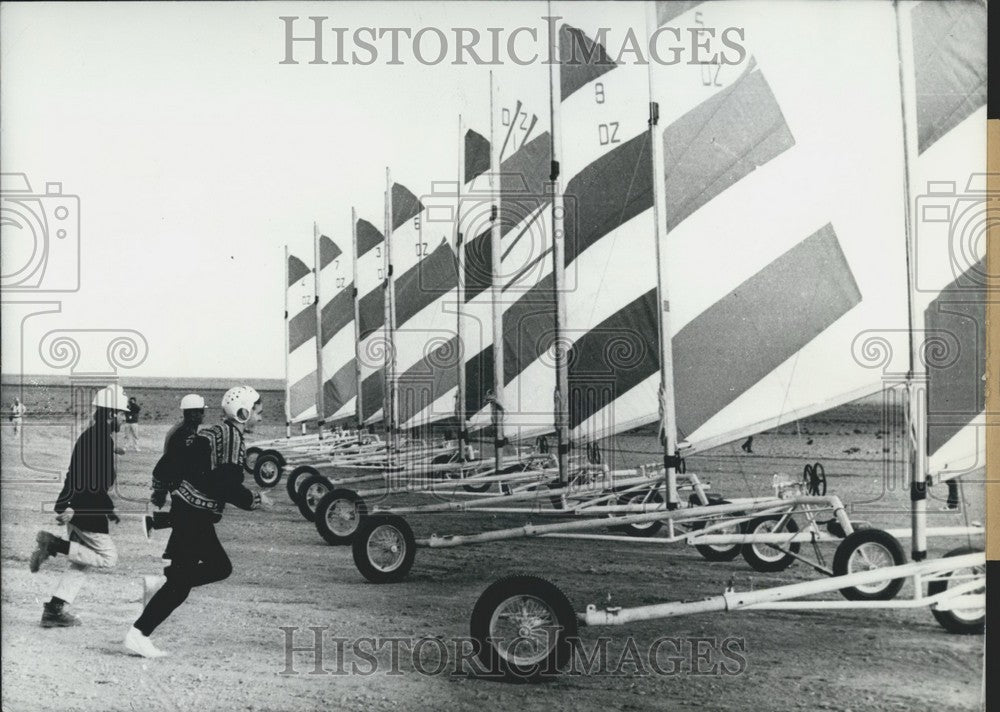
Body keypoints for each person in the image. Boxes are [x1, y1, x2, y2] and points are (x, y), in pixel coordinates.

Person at [124, 386, 272, 658]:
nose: (261, 418)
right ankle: (139, 632)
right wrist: (255, 500)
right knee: (215, 569)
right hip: (195, 515)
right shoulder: (231, 437)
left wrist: (163, 489)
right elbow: (228, 484)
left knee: (188, 577)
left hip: (187, 509)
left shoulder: (211, 432)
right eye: (258, 412)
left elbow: (169, 463)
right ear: (243, 413)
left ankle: (157, 596)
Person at [28, 384, 129, 627]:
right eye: (122, 413)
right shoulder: (99, 440)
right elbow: (89, 482)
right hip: (84, 509)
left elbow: (81, 476)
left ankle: (53, 611)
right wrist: (74, 508)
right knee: (108, 558)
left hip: (78, 507)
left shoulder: (95, 437)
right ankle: (55, 544)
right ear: (111, 414)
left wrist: (95, 508)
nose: (125, 418)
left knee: (81, 562)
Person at [141, 394, 209, 550]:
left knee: (184, 518)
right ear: (192, 413)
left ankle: (169, 546)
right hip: (178, 483)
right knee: (188, 518)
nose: (203, 415)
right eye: (200, 411)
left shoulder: (183, 429)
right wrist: (161, 490)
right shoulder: (184, 434)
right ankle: (155, 524)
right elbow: (170, 462)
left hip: (177, 482)